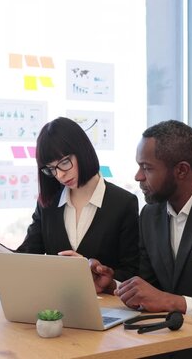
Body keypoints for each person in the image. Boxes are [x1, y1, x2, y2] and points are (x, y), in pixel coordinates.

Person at [90, 120, 192, 319]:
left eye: (147, 168)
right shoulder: (150, 216)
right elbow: (150, 289)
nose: (138, 176)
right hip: (165, 340)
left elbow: (163, 298)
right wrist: (112, 285)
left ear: (181, 170)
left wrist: (174, 302)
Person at [15, 117, 139, 282]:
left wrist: (94, 273)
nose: (59, 175)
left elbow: (132, 272)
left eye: (64, 162)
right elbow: (26, 256)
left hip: (106, 305)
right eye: (51, 169)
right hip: (54, 305)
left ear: (82, 150)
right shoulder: (49, 203)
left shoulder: (123, 203)